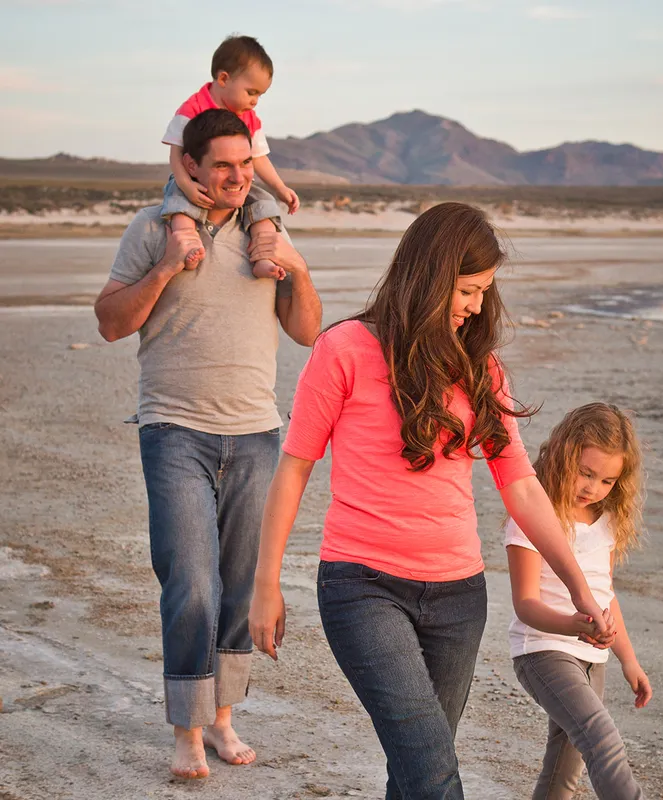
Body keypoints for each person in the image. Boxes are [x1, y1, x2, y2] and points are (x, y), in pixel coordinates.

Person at [248, 202, 612, 799]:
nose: (474, 306)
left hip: (459, 598)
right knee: (432, 770)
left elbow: (520, 485)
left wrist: (577, 585)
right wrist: (265, 585)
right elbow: (293, 471)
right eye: (467, 289)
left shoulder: (480, 368)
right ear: (431, 276)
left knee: (416, 772)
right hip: (362, 587)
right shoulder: (343, 349)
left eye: (483, 292)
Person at [94, 108, 322, 780]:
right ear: (190, 165)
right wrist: (165, 267)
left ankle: (223, 719)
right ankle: (187, 730)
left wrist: (299, 272)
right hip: (173, 430)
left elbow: (307, 332)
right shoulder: (156, 227)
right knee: (190, 582)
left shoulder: (267, 234)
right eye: (222, 165)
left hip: (255, 434)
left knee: (235, 585)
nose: (235, 176)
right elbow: (109, 322)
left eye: (245, 164)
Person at [505, 402, 652, 799]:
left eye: (606, 481)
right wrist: (575, 624)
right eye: (585, 473)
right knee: (602, 738)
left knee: (564, 772)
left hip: (594, 659)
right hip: (543, 650)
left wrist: (629, 659)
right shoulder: (535, 516)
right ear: (562, 454)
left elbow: (606, 594)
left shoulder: (605, 520)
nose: (593, 488)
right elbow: (525, 604)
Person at [161, 34, 299, 280]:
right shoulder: (191, 109)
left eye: (260, 95)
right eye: (251, 92)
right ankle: (187, 245)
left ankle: (263, 257)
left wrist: (279, 187)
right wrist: (187, 186)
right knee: (178, 203)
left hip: (235, 187)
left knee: (263, 205)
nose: (254, 101)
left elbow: (257, 158)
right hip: (189, 179)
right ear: (224, 78)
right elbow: (176, 155)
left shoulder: (249, 118)